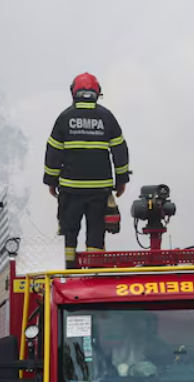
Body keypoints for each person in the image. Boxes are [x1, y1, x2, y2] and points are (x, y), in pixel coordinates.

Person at [44, 72, 131, 269]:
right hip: (99, 191)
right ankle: (95, 273)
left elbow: (53, 152)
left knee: (68, 233)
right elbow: (120, 150)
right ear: (97, 92)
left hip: (70, 190)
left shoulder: (64, 118)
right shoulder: (106, 117)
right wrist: (121, 180)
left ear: (74, 92)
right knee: (96, 235)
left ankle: (68, 272)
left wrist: (51, 181)